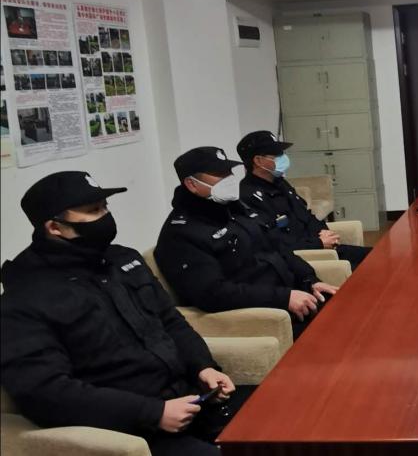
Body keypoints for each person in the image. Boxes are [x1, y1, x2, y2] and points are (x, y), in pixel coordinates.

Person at [0, 171, 246, 456]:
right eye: (93, 211)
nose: (105, 216)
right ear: (55, 227)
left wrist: (203, 366)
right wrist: (152, 413)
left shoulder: (122, 260)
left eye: (105, 207)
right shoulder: (24, 298)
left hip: (192, 400)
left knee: (277, 423)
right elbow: (45, 392)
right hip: (134, 431)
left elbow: (170, 321)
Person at [154, 147, 336, 338]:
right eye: (219, 174)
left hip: (293, 296)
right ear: (192, 184)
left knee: (350, 311)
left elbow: (277, 248)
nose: (229, 179)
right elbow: (213, 294)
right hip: (265, 317)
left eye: (229, 171)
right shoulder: (181, 234)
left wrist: (309, 280)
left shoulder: (235, 208)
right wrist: (284, 298)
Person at [236, 130, 371, 270]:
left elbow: (305, 215)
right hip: (304, 258)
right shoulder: (248, 196)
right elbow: (275, 241)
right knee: (369, 271)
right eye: (277, 154)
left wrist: (324, 231)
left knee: (377, 256)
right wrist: (318, 243)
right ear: (258, 161)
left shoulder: (280, 183)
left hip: (321, 247)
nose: (283, 157)